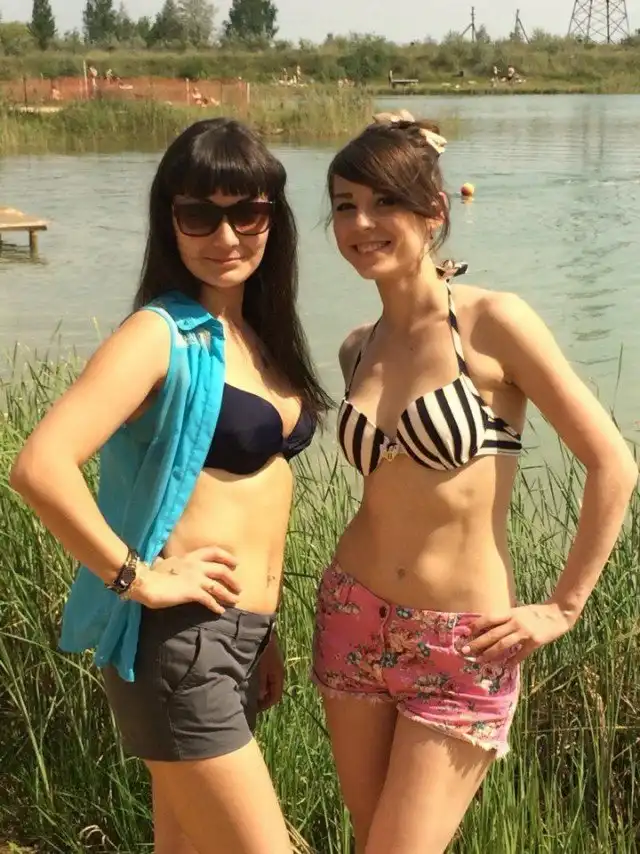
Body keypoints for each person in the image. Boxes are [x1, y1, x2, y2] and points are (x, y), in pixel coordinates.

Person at [311, 111, 637, 854]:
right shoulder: (358, 346)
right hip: (352, 614)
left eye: (384, 201)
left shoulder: (492, 323)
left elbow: (612, 462)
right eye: (344, 205)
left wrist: (563, 607)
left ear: (434, 211)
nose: (362, 223)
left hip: (462, 641)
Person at [10, 118, 331, 854]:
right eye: (199, 216)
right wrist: (139, 577)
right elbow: (41, 466)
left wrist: (264, 632)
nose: (226, 236)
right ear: (169, 221)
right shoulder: (159, 335)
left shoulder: (259, 338)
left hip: (237, 641)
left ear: (274, 220)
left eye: (247, 213)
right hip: (180, 645)